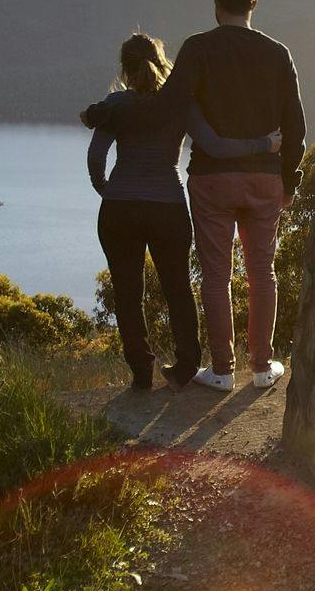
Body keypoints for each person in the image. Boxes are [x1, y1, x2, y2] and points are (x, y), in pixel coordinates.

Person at [80, 32, 277, 397]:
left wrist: (106, 188)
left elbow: (96, 156)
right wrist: (263, 144)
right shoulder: (180, 105)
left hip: (119, 210)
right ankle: (185, 367)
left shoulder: (115, 105)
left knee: (126, 292)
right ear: (162, 62)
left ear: (124, 68)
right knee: (177, 289)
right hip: (167, 208)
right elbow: (214, 146)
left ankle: (141, 372)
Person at [165, 0, 306, 390]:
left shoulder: (197, 48)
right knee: (262, 272)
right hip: (265, 180)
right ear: (254, 3)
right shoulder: (277, 53)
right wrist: (289, 181)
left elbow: (171, 105)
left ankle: (223, 371)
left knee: (216, 275)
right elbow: (296, 126)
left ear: (216, 4)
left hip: (213, 180)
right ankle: (262, 368)